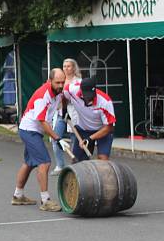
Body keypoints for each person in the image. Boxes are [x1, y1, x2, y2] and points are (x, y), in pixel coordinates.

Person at [12, 68, 67, 212]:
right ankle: (45, 200)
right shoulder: (43, 95)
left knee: (29, 163)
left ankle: (18, 196)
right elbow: (42, 121)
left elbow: (63, 99)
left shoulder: (58, 92)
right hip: (30, 130)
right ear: (49, 81)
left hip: (34, 130)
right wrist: (57, 138)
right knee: (44, 162)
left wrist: (65, 112)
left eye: (63, 82)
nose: (61, 85)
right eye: (57, 82)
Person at [62, 77, 115, 161]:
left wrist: (90, 139)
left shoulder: (105, 102)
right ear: (81, 90)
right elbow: (64, 96)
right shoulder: (71, 90)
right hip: (84, 129)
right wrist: (64, 111)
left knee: (103, 161)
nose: (89, 98)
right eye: (86, 95)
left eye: (91, 95)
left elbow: (109, 127)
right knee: (77, 161)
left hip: (102, 131)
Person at [50, 58, 81, 174]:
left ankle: (74, 167)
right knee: (55, 138)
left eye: (68, 66)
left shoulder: (78, 81)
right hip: (60, 114)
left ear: (73, 68)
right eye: (64, 66)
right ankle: (60, 165)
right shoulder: (60, 80)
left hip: (73, 114)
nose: (66, 68)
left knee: (74, 139)